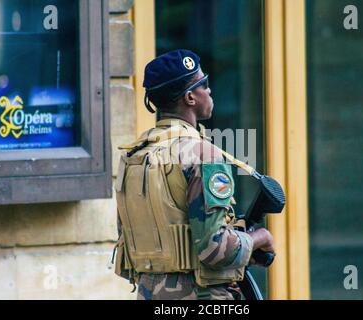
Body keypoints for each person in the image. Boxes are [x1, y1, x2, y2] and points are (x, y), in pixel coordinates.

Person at [114, 49, 275, 300]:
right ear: (190, 97)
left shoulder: (134, 156)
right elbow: (215, 250)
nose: (210, 91)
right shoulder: (202, 155)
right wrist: (258, 238)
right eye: (205, 85)